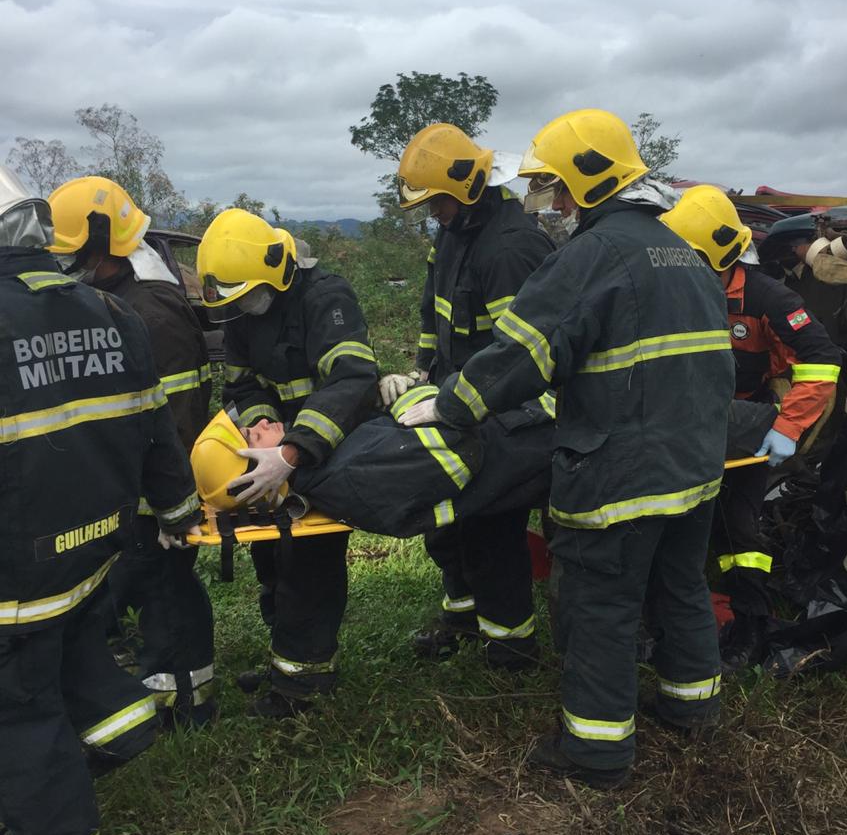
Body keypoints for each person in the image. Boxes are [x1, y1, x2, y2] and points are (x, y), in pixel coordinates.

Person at [399, 110, 734, 788]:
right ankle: (692, 707)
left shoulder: (590, 258)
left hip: (620, 469)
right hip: (694, 465)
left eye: (558, 187)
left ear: (587, 181)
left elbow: (521, 353)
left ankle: (596, 751)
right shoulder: (679, 252)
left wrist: (451, 405)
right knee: (680, 584)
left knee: (599, 605)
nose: (554, 203)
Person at [0, 167, 201, 835]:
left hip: (14, 576)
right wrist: (179, 514)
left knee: (17, 710)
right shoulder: (111, 315)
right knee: (76, 645)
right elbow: (159, 435)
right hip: (95, 549)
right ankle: (126, 727)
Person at [383, 123, 554, 670]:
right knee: (450, 522)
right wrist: (420, 372)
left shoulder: (509, 247)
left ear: (467, 188)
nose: (433, 213)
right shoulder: (454, 235)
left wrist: (470, 405)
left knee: (491, 527)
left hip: (511, 412)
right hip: (460, 399)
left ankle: (509, 646)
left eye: (437, 202)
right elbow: (435, 317)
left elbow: (518, 355)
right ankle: (461, 615)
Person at [196, 208, 379, 717]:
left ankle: (303, 687)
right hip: (272, 456)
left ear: (277, 270)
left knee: (310, 568)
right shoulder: (241, 309)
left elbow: (351, 380)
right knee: (271, 561)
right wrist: (261, 428)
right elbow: (242, 382)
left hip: (325, 453)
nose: (245, 307)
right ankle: (286, 661)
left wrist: (293, 450)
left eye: (249, 295)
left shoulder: (325, 298)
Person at [47, 177, 215, 724]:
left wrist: (167, 503)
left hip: (159, 490)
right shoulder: (113, 299)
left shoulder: (151, 310)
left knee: (167, 589)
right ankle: (159, 681)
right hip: (133, 485)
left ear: (103, 243)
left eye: (73, 252)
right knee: (144, 585)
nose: (67, 263)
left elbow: (177, 415)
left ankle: (186, 702)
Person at [661, 185, 842, 667]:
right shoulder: (677, 291)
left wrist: (788, 426)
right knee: (687, 521)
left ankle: (750, 621)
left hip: (745, 420)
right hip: (685, 419)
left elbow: (822, 360)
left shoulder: (766, 296)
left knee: (739, 525)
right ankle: (686, 610)